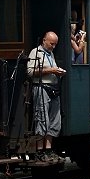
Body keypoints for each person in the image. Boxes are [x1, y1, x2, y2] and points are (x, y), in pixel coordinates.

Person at [26, 31, 65, 162]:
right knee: (42, 118)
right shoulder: (35, 52)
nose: (53, 46)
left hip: (53, 88)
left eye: (55, 44)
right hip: (41, 87)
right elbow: (30, 72)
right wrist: (51, 70)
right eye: (51, 44)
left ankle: (48, 149)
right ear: (44, 40)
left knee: (55, 120)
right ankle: (39, 150)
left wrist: (58, 72)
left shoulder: (50, 53)